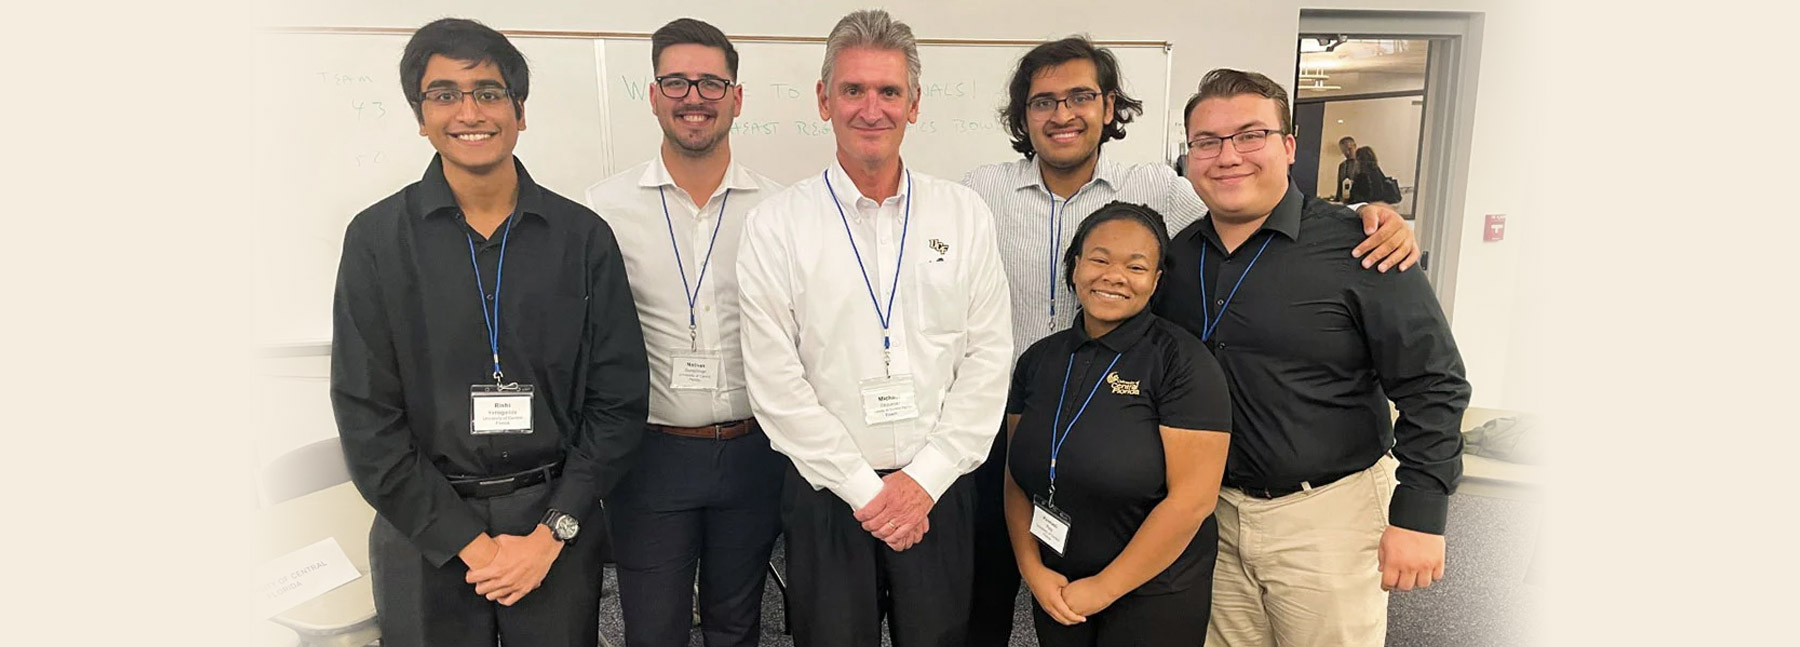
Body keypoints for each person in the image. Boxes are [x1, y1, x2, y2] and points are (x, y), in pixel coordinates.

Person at [957, 36, 1420, 645]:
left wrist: (1371, 214)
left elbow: (1241, 206)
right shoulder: (975, 194)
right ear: (1023, 115)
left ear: (1109, 106)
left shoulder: (1159, 188)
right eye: (1043, 101)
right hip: (1012, 422)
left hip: (1130, 427)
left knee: (1134, 585)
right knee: (986, 593)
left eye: (1080, 97)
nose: (1062, 114)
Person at [330, 18, 649, 647]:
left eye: (488, 91)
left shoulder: (582, 239)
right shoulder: (375, 241)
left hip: (551, 523)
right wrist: (469, 545)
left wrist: (549, 534)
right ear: (420, 117)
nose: (468, 111)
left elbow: (617, 403)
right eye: (444, 94)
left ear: (520, 110)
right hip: (424, 527)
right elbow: (366, 418)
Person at [1155, 68, 1470, 647]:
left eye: (1251, 135)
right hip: (1210, 519)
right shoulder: (1174, 259)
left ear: (1289, 146)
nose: (1228, 156)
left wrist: (1421, 513)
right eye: (1207, 141)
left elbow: (1435, 382)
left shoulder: (1362, 245)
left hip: (1329, 516)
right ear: (1189, 154)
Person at [736, 9, 1013, 646]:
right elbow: (775, 381)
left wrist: (924, 481)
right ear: (823, 100)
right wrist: (867, 490)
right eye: (853, 90)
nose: (871, 108)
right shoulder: (778, 224)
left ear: (914, 104)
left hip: (938, 489)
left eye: (889, 92)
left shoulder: (963, 214)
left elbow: (988, 357)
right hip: (828, 492)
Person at [583, 18, 786, 647]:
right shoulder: (601, 210)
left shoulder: (781, 210)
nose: (693, 97)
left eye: (710, 82)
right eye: (676, 81)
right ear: (653, 95)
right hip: (649, 456)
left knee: (737, 623)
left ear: (736, 97)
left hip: (756, 450)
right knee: (653, 627)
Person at [1004, 202, 1232, 647]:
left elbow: (1191, 502)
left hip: (1154, 592)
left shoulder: (1182, 363)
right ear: (1075, 268)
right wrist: (1032, 569)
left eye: (1136, 265)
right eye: (1100, 259)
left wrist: (1103, 589)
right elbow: (1016, 476)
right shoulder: (1038, 360)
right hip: (1058, 585)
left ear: (1156, 281)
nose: (1113, 275)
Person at [1333, 136, 1358, 202]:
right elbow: (1339, 185)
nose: (1347, 153)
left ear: (1355, 146)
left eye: (1349, 149)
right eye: (1344, 151)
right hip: (1345, 200)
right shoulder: (1342, 165)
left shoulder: (1362, 164)